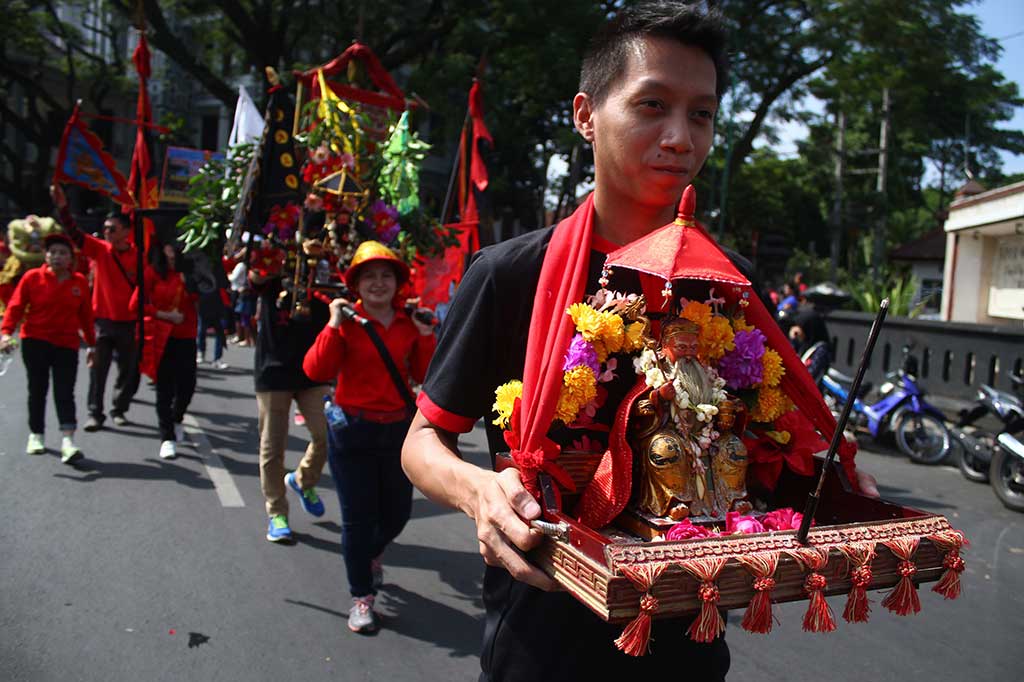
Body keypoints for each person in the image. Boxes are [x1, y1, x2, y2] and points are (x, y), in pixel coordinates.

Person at [401, 5, 879, 681]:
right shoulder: (512, 276)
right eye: (652, 105)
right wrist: (480, 493)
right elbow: (421, 442)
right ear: (585, 115)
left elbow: (768, 448)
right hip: (541, 644)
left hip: (690, 644)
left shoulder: (727, 289)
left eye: (702, 114)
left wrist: (829, 476)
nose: (681, 138)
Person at [303, 241, 435, 634]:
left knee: (397, 514)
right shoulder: (346, 322)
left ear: (398, 283)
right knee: (357, 521)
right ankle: (361, 595)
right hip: (352, 433)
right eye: (369, 276)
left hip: (397, 431)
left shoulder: (411, 322)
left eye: (386, 275)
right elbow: (314, 370)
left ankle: (370, 554)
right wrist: (331, 325)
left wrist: (427, 335)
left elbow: (426, 374)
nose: (378, 283)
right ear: (356, 285)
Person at [249, 241, 330, 545]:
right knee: (273, 446)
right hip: (273, 370)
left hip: (314, 369)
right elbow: (255, 277)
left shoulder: (330, 266)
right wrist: (273, 254)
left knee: (327, 434)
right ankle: (277, 512)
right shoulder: (275, 261)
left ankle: (302, 480)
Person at [51, 184, 140, 431]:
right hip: (102, 321)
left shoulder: (139, 257)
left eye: (112, 229)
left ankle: (119, 409)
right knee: (98, 371)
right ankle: (95, 414)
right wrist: (63, 208)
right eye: (105, 229)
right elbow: (74, 233)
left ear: (126, 232)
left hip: (130, 322)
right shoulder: (100, 250)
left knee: (128, 370)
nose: (107, 233)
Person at [1, 233, 95, 463]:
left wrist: (92, 345)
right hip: (35, 341)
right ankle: (37, 434)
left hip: (66, 344)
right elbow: (15, 307)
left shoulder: (79, 282)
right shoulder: (33, 278)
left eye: (63, 253)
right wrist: (5, 333)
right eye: (53, 252)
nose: (57, 257)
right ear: (46, 256)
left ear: (71, 259)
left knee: (64, 392)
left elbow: (86, 317)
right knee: (38, 389)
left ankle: (68, 441)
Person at [131, 244, 199, 460]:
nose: (170, 250)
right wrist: (163, 314)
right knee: (164, 389)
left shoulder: (193, 271)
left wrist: (194, 286)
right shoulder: (152, 272)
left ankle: (177, 418)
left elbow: (209, 298)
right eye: (167, 245)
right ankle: (166, 437)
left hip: (187, 336)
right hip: (162, 337)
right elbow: (135, 305)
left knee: (187, 386)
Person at [196, 286, 229, 369]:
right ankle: (201, 352)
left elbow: (225, 286)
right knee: (201, 331)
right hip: (204, 305)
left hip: (219, 306)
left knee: (220, 333)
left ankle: (217, 359)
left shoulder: (219, 275)